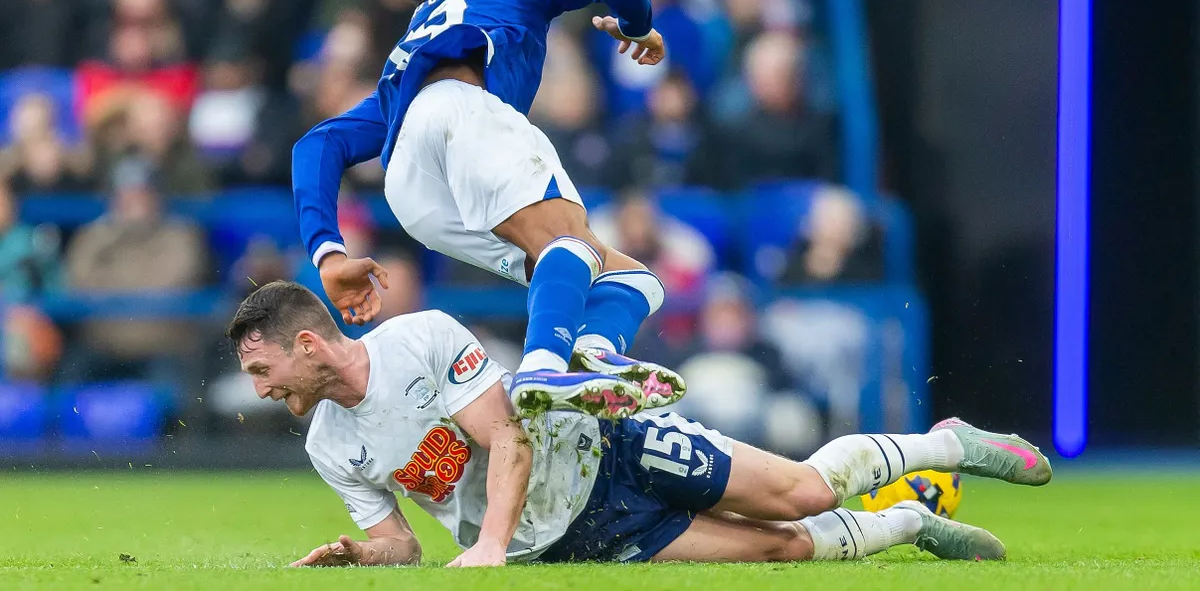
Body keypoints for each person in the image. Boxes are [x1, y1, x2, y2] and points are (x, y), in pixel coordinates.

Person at [227, 282, 1053, 568]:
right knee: (782, 547)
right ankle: (912, 520)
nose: (258, 388)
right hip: (572, 537)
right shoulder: (328, 444)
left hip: (605, 443)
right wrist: (360, 552)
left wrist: (485, 548)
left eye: (262, 368)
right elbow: (405, 544)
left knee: (798, 492)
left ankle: (947, 441)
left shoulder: (422, 337)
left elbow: (507, 436)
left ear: (307, 344)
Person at [291, 0, 685, 419]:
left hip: (412, 188)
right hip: (465, 113)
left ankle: (593, 352)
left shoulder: (409, 66)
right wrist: (637, 26)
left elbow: (317, 145)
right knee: (569, 243)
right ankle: (542, 371)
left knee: (627, 276)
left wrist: (328, 254)